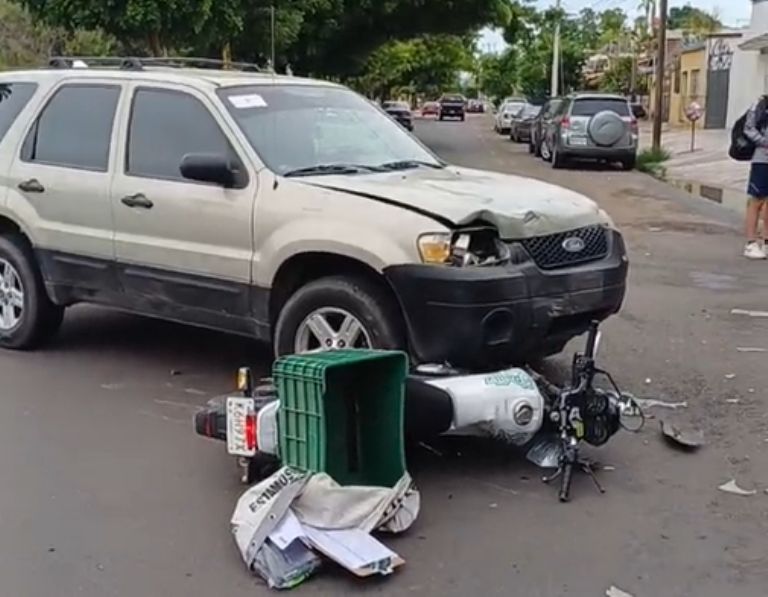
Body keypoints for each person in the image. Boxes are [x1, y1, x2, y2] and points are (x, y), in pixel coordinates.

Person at [743, 96, 768, 259]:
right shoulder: (760, 104)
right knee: (757, 200)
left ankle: (766, 241)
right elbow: (749, 128)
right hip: (762, 159)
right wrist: (765, 142)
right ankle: (751, 243)